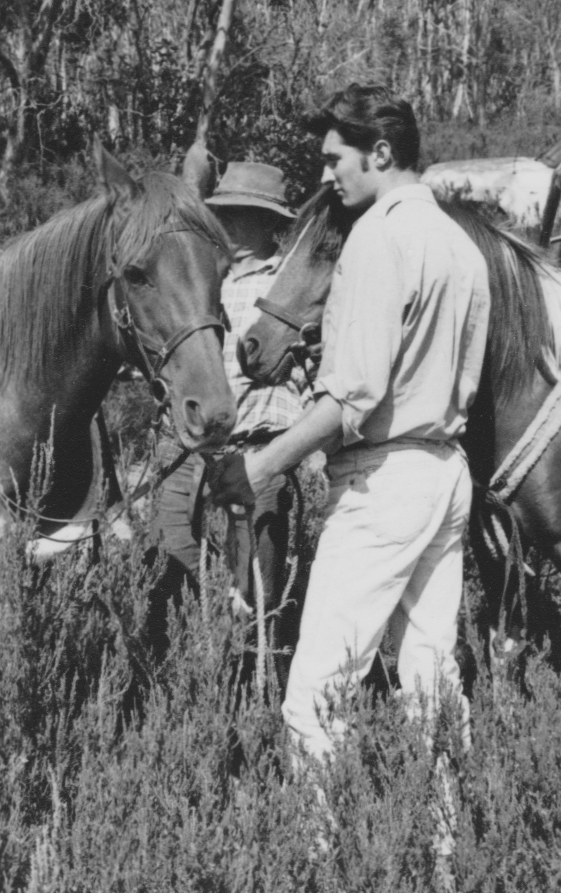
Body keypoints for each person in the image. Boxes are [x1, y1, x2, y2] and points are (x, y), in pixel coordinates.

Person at [209, 84, 490, 765]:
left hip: (382, 482)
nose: (326, 176)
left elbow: (353, 393)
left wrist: (260, 463)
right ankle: (448, 857)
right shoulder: (461, 247)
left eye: (336, 159)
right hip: (445, 473)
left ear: (382, 152)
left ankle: (319, 866)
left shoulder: (376, 238)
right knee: (430, 681)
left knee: (314, 695)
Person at [149, 162, 304, 636]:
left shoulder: (292, 286)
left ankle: (252, 683)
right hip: (188, 451)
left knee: (256, 587)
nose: (229, 225)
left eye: (242, 214)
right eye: (225, 213)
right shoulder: (203, 278)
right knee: (167, 567)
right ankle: (176, 672)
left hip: (257, 450)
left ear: (270, 223)